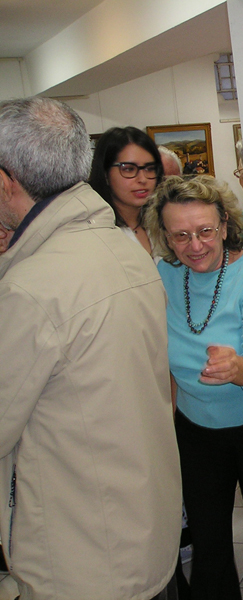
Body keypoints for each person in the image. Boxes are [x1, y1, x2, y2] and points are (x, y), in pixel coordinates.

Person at [0, 97, 181, 598]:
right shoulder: (123, 249)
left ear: (5, 181)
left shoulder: (32, 288)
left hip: (79, 552)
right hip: (139, 522)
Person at [144, 175, 243, 600]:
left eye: (205, 231)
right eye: (180, 235)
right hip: (195, 432)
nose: (194, 245)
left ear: (226, 225)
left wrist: (237, 367)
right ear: (165, 237)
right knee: (208, 546)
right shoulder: (163, 274)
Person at [88, 126, 165, 255]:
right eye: (129, 169)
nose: (143, 179)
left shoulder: (162, 224)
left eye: (150, 168)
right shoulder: (94, 232)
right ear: (105, 174)